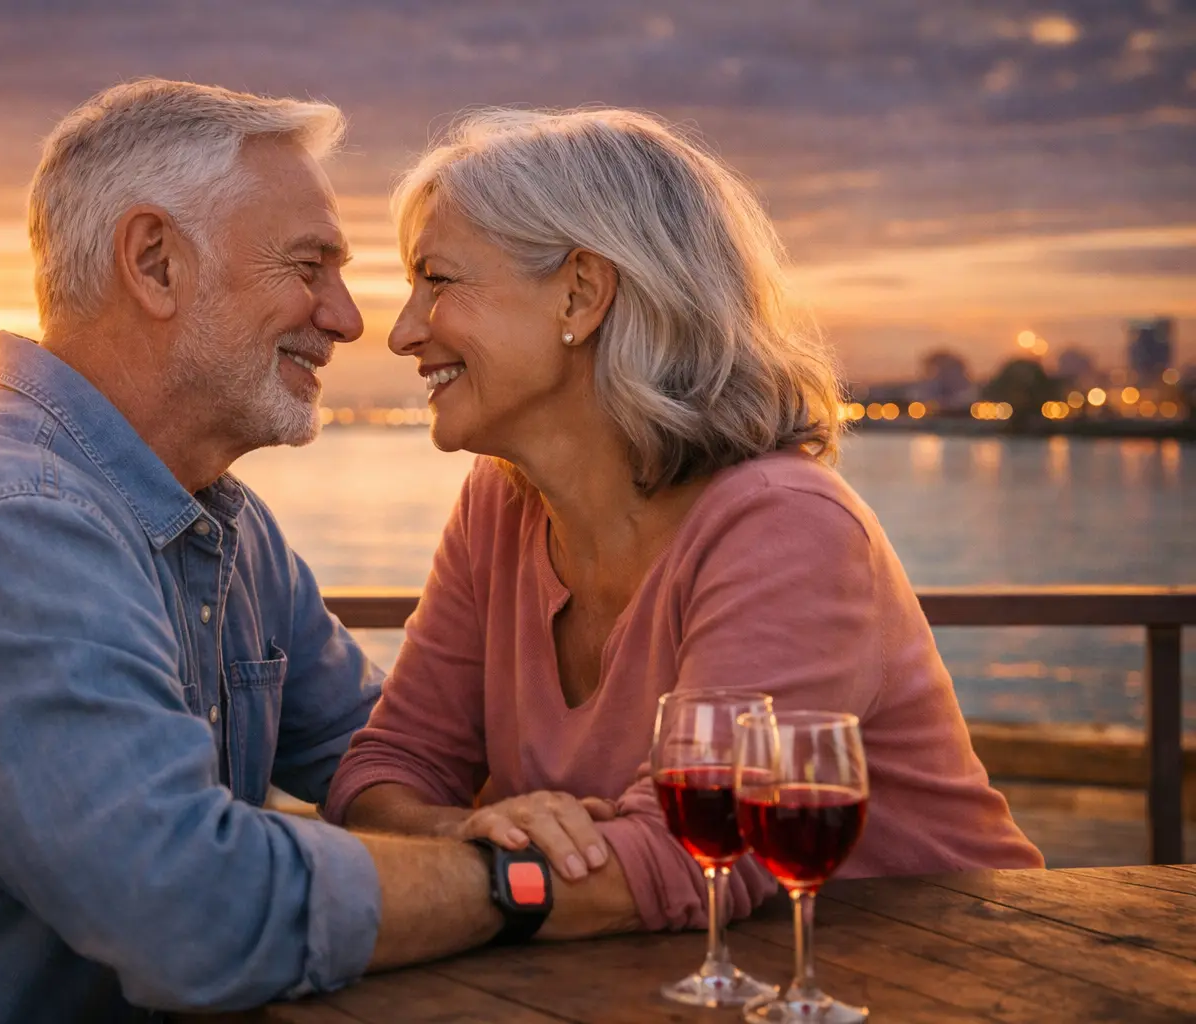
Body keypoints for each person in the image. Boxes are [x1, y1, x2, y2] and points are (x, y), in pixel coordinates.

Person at [0, 83, 633, 1022]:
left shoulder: (224, 531)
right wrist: (511, 878)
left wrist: (536, 816)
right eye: (309, 267)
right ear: (155, 262)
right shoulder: (4, 523)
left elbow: (393, 763)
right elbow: (191, 907)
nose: (348, 317)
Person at [324, 108, 1044, 932]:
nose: (404, 331)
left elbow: (690, 859)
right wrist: (469, 832)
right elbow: (386, 774)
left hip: (946, 981)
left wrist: (460, 885)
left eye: (439, 281)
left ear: (582, 292)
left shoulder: (785, 527)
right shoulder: (501, 504)